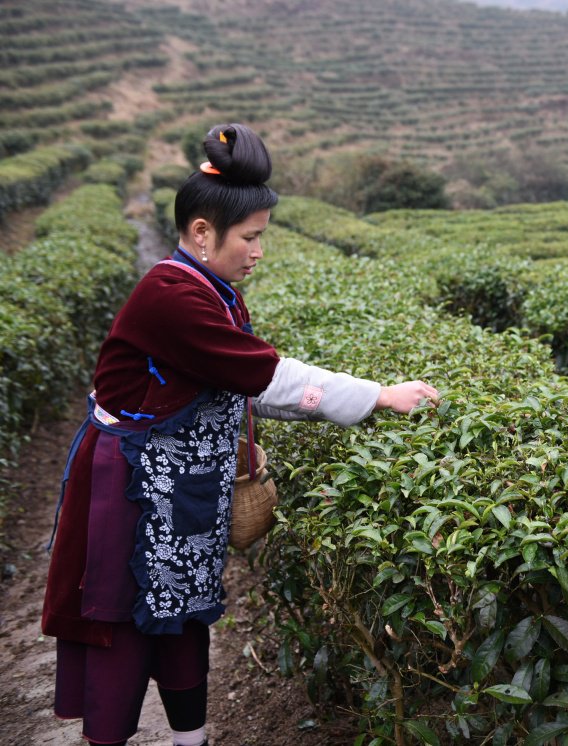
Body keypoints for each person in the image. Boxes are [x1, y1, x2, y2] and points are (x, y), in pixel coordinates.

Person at [41, 123, 439, 746]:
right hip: (135, 490)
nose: (259, 252)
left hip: (180, 487)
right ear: (202, 232)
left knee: (184, 618)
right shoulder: (171, 295)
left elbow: (236, 384)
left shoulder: (212, 289)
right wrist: (379, 396)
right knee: (125, 623)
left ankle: (190, 739)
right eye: (250, 238)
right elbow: (265, 375)